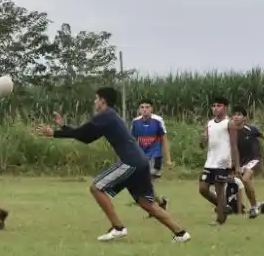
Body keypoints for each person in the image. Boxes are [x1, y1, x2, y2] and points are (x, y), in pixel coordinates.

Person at [36, 86, 190, 243]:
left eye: (96, 99)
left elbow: (82, 134)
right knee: (147, 203)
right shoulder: (109, 117)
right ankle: (180, 233)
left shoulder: (105, 115)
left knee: (96, 187)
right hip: (140, 161)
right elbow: (87, 137)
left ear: (102, 101)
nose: (95, 102)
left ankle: (118, 228)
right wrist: (63, 126)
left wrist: (55, 133)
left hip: (131, 162)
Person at [230, 106, 264, 219]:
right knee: (229, 181)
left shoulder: (251, 129)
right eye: (234, 114)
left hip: (254, 159)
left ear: (244, 117)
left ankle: (253, 207)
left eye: (239, 114)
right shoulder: (231, 132)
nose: (236, 117)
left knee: (246, 179)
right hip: (240, 162)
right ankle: (247, 205)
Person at [199, 96, 241, 225]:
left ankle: (220, 219)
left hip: (223, 162)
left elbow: (234, 145)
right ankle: (224, 207)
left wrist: (236, 165)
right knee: (203, 189)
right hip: (210, 161)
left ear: (225, 107)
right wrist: (202, 140)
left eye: (219, 105)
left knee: (219, 189)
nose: (215, 108)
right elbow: (203, 145)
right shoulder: (209, 123)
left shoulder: (229, 123)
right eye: (213, 106)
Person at [130, 100, 171, 211]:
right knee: (145, 185)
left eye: (147, 107)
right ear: (139, 109)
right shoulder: (135, 122)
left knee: (146, 183)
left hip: (155, 156)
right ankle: (161, 202)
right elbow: (132, 140)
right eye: (142, 107)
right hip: (141, 157)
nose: (144, 109)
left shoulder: (157, 121)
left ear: (151, 109)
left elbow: (164, 139)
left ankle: (153, 208)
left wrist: (168, 159)